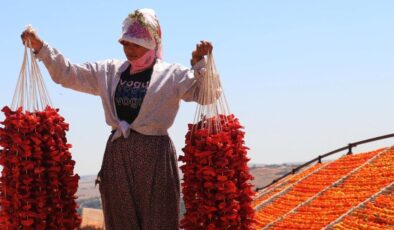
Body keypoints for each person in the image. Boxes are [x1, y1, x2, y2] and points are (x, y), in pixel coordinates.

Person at [21, 8, 213, 230]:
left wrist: (199, 64)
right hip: (117, 155)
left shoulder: (172, 75)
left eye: (136, 45)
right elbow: (69, 74)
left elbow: (206, 95)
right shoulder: (109, 71)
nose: (129, 50)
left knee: (159, 219)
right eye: (126, 44)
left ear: (152, 44)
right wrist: (41, 48)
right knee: (121, 220)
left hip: (155, 157)